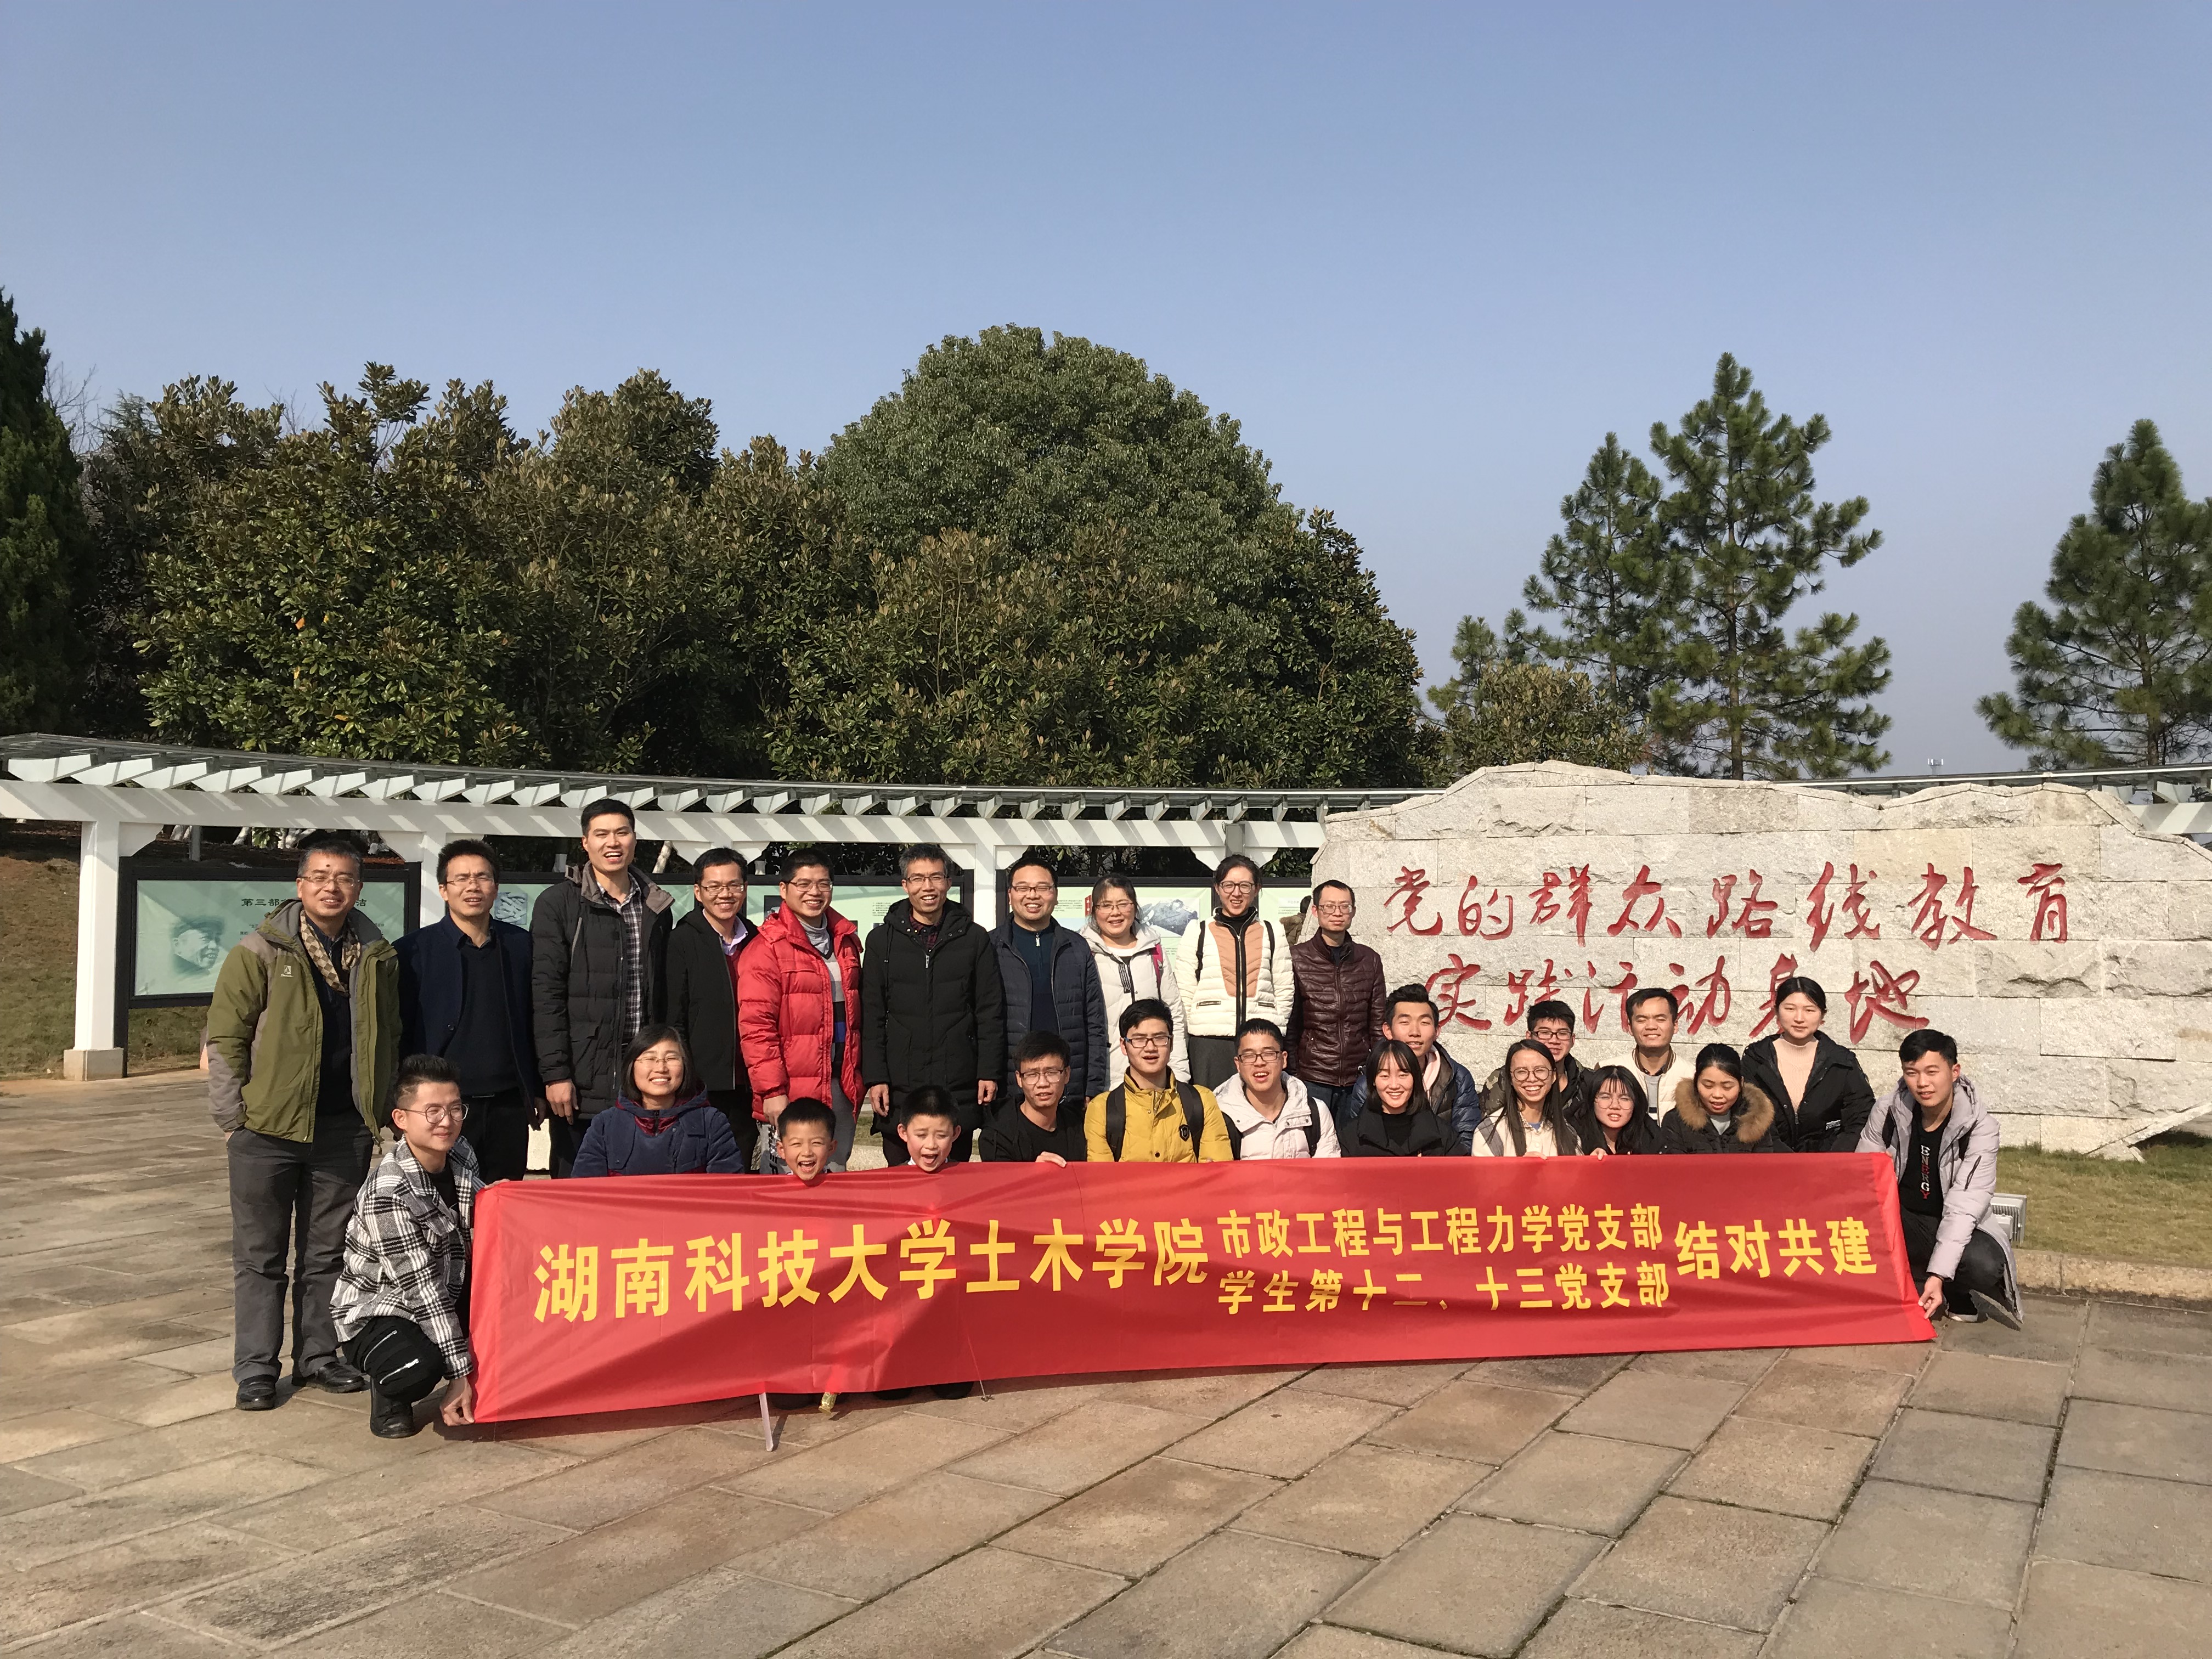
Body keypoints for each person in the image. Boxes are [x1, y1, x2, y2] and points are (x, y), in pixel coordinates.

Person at [208, 830, 397, 1410]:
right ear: (299, 885)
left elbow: (389, 1036)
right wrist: (233, 1117)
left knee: (328, 1255)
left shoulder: (377, 956)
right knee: (260, 1258)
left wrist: (379, 1112)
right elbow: (226, 1036)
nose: (331, 887)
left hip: (343, 1130)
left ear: (358, 887)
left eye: (343, 878)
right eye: (319, 876)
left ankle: (317, 1357)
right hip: (266, 1131)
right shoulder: (259, 951)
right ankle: (256, 1369)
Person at [332, 1054, 479, 1438]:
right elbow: (422, 1292)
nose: (446, 1122)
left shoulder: (461, 1153)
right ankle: (389, 1396)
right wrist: (459, 1375)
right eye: (432, 1112)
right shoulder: (389, 1192)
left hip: (450, 1283)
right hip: (383, 1308)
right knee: (420, 1366)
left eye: (455, 1109)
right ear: (401, 1119)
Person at [531, 799, 675, 1177]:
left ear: (634, 840)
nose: (613, 843)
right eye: (602, 834)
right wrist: (556, 1075)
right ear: (585, 843)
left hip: (644, 1076)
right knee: (577, 1186)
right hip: (582, 1079)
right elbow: (546, 996)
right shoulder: (558, 904)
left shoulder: (655, 906)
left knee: (640, 1186)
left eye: (622, 833)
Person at [397, 838, 541, 1184]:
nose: (472, 886)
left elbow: (536, 1020)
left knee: (504, 1201)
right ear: (444, 890)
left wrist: (537, 1087)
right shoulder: (412, 952)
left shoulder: (522, 947)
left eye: (482, 877)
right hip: (441, 1109)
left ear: (496, 888)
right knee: (441, 1201)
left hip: (508, 1106)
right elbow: (396, 1032)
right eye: (461, 878)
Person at [1859, 1030, 2021, 1328]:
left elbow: (1965, 1206)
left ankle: (1950, 1288)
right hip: (1902, 1218)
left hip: (1954, 1220)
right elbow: (1862, 1178)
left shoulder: (1980, 1128)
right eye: (1912, 1073)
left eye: (1932, 1072)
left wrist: (1939, 1275)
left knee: (1984, 1264)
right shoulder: (1887, 1111)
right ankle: (1909, 1282)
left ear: (1954, 1072)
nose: (1922, 1083)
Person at [862, 844, 1003, 1167]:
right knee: (900, 1177)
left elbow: (989, 1011)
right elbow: (872, 1014)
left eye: (936, 877)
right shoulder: (882, 941)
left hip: (958, 1079)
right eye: (918, 879)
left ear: (949, 882)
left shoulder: (974, 938)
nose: (928, 887)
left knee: (955, 1176)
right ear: (905, 885)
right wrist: (876, 1077)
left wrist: (988, 1072)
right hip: (901, 1080)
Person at [741, 850, 865, 1173]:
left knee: (834, 1175)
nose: (815, 892)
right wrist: (772, 1092)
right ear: (784, 889)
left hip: (840, 1084)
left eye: (823, 884)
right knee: (789, 1181)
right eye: (804, 884)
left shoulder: (845, 941)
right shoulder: (767, 948)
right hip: (792, 1089)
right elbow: (757, 1028)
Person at [878, 1090, 979, 1403]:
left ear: (957, 1134)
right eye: (921, 1135)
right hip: (900, 1307)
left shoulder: (972, 1181)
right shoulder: (885, 1185)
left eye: (941, 1135)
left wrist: (1039, 1169)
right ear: (903, 1132)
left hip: (950, 1303)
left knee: (955, 1389)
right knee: (891, 1391)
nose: (931, 1146)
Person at [665, 848, 761, 1172]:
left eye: (734, 885)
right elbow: (674, 1016)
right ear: (698, 892)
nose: (725, 894)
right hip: (701, 1083)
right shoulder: (681, 941)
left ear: (745, 888)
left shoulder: (758, 939)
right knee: (695, 1171)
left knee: (739, 1168)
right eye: (714, 887)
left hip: (750, 1079)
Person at [994, 855, 1109, 1109]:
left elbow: (1095, 1021)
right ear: (1010, 894)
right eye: (1023, 888)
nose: (1032, 895)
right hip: (1009, 1085)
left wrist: (1093, 1084)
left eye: (1042, 888)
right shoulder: (992, 947)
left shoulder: (1076, 947)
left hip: (1068, 1084)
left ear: (1055, 895)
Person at [1177, 854, 1290, 1090]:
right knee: (1211, 1106)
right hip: (1209, 1041)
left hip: (1259, 1040)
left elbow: (1284, 988)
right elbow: (1185, 990)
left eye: (1245, 886)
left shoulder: (1273, 932)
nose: (1236, 893)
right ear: (1218, 888)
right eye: (1229, 885)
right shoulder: (1198, 931)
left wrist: (1277, 1028)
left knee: (1258, 1105)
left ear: (1256, 889)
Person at [1285, 879, 1385, 1137]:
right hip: (1313, 1076)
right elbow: (1291, 1024)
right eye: (1329, 907)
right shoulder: (1297, 958)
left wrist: (1378, 1070)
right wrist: (1294, 1073)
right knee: (1312, 1144)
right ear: (1315, 911)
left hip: (1358, 1077)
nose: (1337, 913)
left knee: (1354, 1145)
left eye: (1344, 907)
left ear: (1353, 911)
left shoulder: (1370, 960)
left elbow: (1377, 1024)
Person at [571, 1026, 742, 1176]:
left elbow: (726, 1189)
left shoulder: (711, 1122)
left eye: (671, 1058)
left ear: (685, 1066)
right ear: (631, 1067)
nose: (661, 1068)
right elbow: (585, 1191)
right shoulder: (605, 1125)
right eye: (650, 1059)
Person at [759, 1095, 838, 1413]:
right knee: (787, 1399)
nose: (806, 1153)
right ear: (781, 1149)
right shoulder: (768, 1199)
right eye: (796, 1144)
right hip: (790, 1305)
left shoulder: (850, 1194)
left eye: (816, 1143)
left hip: (834, 1305)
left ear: (832, 1147)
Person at [1085, 999, 1233, 1163]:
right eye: (1139, 1039)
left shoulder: (1202, 1101)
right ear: (1123, 1045)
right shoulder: (1102, 1109)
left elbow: (1218, 1171)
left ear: (1171, 1043)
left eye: (1160, 1038)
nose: (1150, 1048)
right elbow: (1102, 1176)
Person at [1742, 977, 1878, 1152]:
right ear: (1777, 1011)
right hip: (1772, 1160)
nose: (1799, 1018)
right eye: (1790, 1009)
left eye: (1809, 1010)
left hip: (1829, 1163)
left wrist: (1831, 1159)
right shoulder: (1756, 1059)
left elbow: (1860, 1117)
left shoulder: (1841, 1061)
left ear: (1822, 1015)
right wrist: (1787, 1160)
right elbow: (1749, 1114)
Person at [1082, 876, 1189, 1086]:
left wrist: (1179, 1073)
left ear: (1135, 907)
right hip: (1105, 1077)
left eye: (1123, 904)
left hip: (1156, 1075)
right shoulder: (1083, 952)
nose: (1115, 912)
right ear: (1094, 911)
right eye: (1106, 905)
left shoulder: (1154, 950)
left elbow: (1174, 1012)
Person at [1346, 986, 1480, 1154]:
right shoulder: (1367, 1083)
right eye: (1405, 1022)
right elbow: (1359, 1139)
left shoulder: (1458, 1078)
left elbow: (1465, 1141)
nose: (1415, 1032)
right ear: (1388, 1030)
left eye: (1424, 1023)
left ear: (1437, 1031)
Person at [1215, 1018, 1341, 1159]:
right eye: (1249, 1056)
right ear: (1238, 1064)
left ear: (1284, 1059)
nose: (1259, 1062)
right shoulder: (1219, 1116)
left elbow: (1327, 1170)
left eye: (1268, 1054)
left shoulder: (1316, 1112)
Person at [979, 1032, 1088, 1164]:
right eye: (1032, 1075)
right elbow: (1001, 1177)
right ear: (1019, 1079)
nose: (1043, 1083)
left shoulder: (1079, 1124)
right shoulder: (998, 1136)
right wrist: (1033, 1172)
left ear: (1067, 1074)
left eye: (1052, 1073)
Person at [1658, 1043, 1788, 1153]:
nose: (1717, 1095)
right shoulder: (1677, 1121)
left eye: (1727, 1087)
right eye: (1708, 1086)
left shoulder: (1757, 1120)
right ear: (1696, 1082)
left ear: (1741, 1084)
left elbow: (1764, 1168)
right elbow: (1673, 1169)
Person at [1479, 1001, 1588, 1125]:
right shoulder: (1503, 1079)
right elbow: (1490, 1127)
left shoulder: (1588, 1080)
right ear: (1529, 1036)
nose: (1554, 1040)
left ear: (1573, 1040)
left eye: (1563, 1034)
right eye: (1545, 1033)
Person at [1470, 1039, 1582, 1157]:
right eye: (1522, 1072)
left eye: (1540, 1070)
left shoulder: (1568, 1133)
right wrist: (1523, 1167)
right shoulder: (1490, 1131)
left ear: (1553, 1076)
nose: (1532, 1079)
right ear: (1510, 1078)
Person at [1345, 1040, 1453, 1157]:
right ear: (1373, 1080)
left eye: (1403, 1075)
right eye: (1385, 1076)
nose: (1394, 1085)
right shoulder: (1350, 1137)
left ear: (1415, 1078)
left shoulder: (1443, 1136)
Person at [1614, 986, 1682, 1122]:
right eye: (1641, 1020)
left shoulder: (1692, 1076)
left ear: (1675, 1025)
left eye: (1660, 1019)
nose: (1651, 1026)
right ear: (1630, 1027)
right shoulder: (1609, 1071)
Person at [1569, 1064, 1662, 1156]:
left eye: (1624, 1099)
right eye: (1605, 1097)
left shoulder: (1651, 1136)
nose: (1615, 1106)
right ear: (1592, 1100)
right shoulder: (1572, 1137)